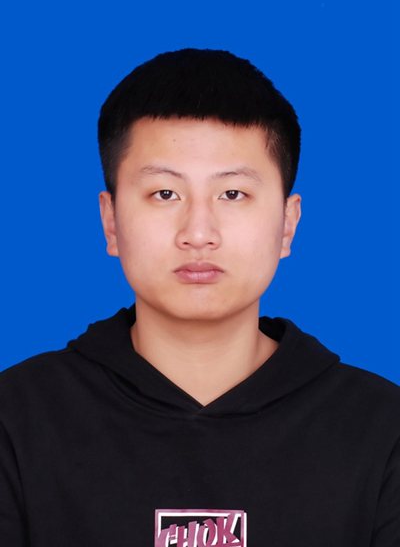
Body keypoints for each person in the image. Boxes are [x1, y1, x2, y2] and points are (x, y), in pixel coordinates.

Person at [0, 49, 399, 547]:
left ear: (287, 223)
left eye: (232, 194)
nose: (198, 233)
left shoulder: (383, 429)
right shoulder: (16, 419)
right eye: (165, 194)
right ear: (111, 220)